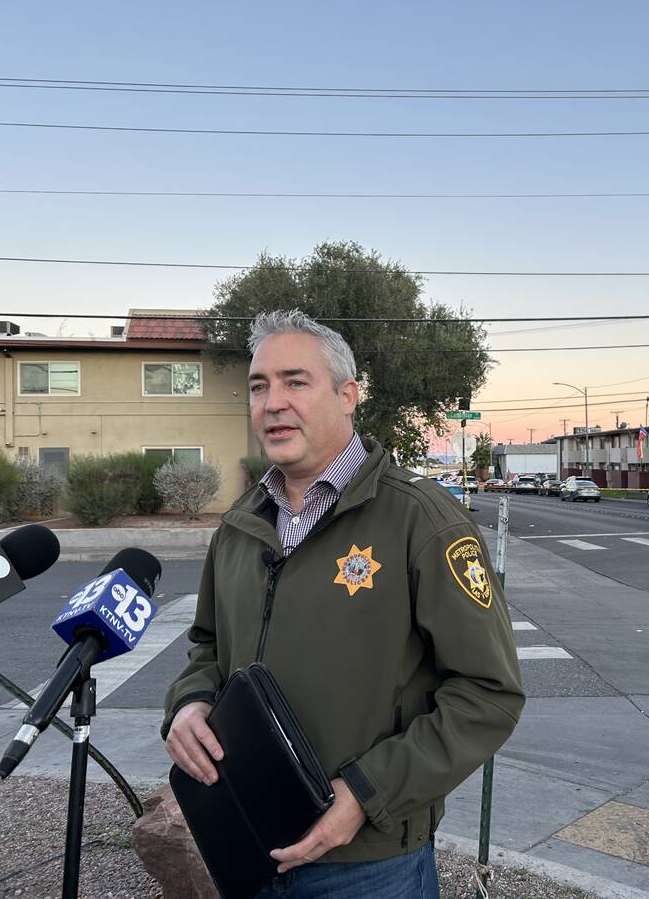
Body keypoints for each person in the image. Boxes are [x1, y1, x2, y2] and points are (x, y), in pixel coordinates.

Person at [162, 310, 524, 899]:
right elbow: (207, 647)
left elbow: (488, 693)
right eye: (258, 386)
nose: (272, 403)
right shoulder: (238, 527)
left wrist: (365, 794)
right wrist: (189, 703)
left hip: (368, 865)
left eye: (295, 381)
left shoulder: (421, 520)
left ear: (348, 395)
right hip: (248, 843)